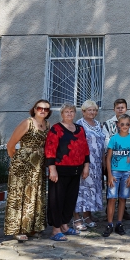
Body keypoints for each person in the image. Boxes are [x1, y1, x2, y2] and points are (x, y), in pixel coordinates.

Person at [4, 99, 50, 241]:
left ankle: (32, 227)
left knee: (35, 195)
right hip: (22, 166)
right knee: (19, 197)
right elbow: (10, 145)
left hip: (38, 166)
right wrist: (18, 161)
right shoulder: (27, 123)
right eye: (40, 108)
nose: (42, 110)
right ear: (34, 109)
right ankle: (17, 229)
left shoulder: (47, 125)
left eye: (46, 109)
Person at [44, 103, 90, 241]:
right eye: (66, 111)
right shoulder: (56, 129)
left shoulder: (80, 129)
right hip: (60, 171)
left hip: (76, 170)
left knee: (70, 200)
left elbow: (85, 149)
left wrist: (86, 166)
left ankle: (64, 226)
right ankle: (55, 230)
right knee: (57, 200)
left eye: (71, 111)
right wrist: (52, 169)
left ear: (75, 113)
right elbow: (50, 150)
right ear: (62, 114)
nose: (69, 114)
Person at [102, 115, 130, 237]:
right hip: (114, 172)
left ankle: (119, 223)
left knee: (123, 198)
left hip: (126, 173)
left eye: (127, 124)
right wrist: (109, 174)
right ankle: (109, 224)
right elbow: (108, 158)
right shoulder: (114, 139)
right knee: (112, 198)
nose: (124, 126)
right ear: (118, 124)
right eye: (122, 124)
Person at [73, 100, 106, 230]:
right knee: (81, 190)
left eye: (95, 110)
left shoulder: (98, 124)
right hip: (84, 163)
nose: (92, 112)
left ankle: (87, 215)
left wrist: (103, 161)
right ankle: (76, 217)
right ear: (83, 111)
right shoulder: (79, 125)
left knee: (92, 190)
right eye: (90, 110)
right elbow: (77, 146)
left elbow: (102, 145)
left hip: (97, 164)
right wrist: (82, 164)